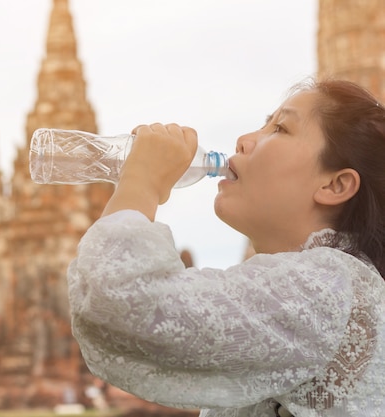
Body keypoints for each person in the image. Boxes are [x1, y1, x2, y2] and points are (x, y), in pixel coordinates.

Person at [67, 78, 385, 416]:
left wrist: (141, 180)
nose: (244, 140)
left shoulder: (330, 287)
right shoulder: (315, 286)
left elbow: (119, 298)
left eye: (279, 128)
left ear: (335, 185)